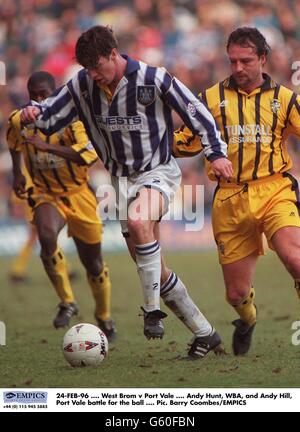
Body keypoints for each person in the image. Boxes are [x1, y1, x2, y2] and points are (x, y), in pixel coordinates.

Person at [21, 26, 233, 359]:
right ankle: (206, 334)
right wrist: (33, 112)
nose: (93, 75)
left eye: (97, 67)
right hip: (120, 182)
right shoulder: (82, 84)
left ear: (112, 54)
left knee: (138, 222)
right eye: (87, 69)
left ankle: (150, 312)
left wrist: (216, 153)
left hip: (157, 172)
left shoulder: (153, 78)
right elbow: (50, 119)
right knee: (155, 269)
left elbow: (197, 113)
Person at [173, 26, 300, 356]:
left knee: (295, 258)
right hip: (230, 198)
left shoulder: (285, 99)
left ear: (263, 59)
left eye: (246, 61)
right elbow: (184, 143)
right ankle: (248, 319)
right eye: (232, 62)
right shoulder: (209, 100)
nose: (238, 68)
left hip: (275, 189)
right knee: (236, 294)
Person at [8, 71, 116, 341]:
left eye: (45, 94)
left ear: (55, 94)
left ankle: (104, 316)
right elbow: (13, 141)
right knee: (45, 235)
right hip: (46, 193)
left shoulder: (73, 120)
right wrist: (18, 173)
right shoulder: (19, 119)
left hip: (79, 194)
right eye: (34, 95)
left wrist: (46, 146)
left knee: (93, 264)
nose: (39, 100)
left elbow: (87, 156)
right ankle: (67, 301)